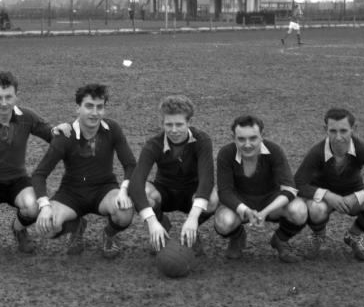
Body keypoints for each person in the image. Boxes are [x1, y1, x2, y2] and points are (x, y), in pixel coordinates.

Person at [0, 71, 70, 255]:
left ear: (16, 96)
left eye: (8, 97)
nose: (4, 103)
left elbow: (50, 133)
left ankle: (18, 229)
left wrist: (60, 130)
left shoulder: (27, 117)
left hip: (18, 180)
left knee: (34, 207)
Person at [32, 84, 136, 259]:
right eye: (89, 106)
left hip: (104, 189)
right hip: (71, 193)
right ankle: (76, 225)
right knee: (46, 227)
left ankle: (109, 234)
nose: (94, 113)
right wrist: (44, 206)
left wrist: (124, 191)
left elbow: (131, 164)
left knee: (125, 212)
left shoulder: (112, 129)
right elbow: (39, 174)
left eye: (99, 107)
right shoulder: (65, 135)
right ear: (77, 108)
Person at [294, 108, 364, 262]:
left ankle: (353, 236)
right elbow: (298, 183)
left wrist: (357, 197)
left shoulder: (362, 149)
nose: (338, 137)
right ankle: (318, 235)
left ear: (353, 129)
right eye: (333, 131)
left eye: (343, 131)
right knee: (315, 208)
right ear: (325, 130)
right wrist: (327, 195)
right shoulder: (317, 152)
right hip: (324, 200)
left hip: (352, 197)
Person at [128, 95, 218, 256]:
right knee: (144, 191)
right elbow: (135, 184)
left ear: (189, 122)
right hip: (165, 193)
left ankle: (192, 231)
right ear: (162, 123)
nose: (174, 130)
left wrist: (193, 219)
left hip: (192, 193)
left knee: (212, 198)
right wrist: (152, 222)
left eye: (179, 124)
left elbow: (207, 179)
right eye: (168, 124)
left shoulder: (202, 140)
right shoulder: (153, 144)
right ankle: (161, 226)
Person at [214, 115, 307, 262]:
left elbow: (290, 189)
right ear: (233, 137)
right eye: (241, 139)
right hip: (241, 202)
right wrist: (245, 210)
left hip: (271, 201)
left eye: (253, 138)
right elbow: (224, 192)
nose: (247, 144)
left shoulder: (274, 150)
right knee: (223, 222)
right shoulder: (226, 154)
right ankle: (238, 238)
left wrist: (265, 212)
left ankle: (280, 239)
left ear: (262, 136)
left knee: (299, 211)